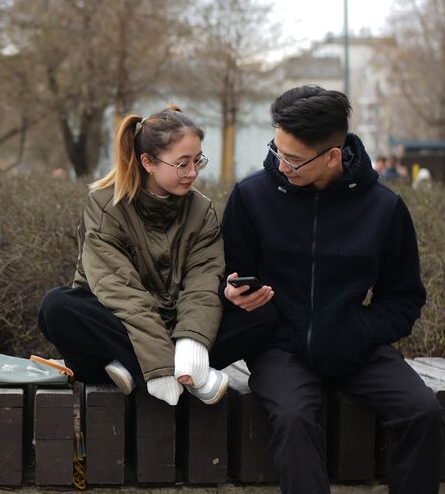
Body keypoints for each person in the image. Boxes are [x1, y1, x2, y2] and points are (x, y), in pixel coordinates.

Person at [220, 85, 445, 494]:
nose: (280, 163)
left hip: (356, 346)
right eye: (276, 150)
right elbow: (225, 284)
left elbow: (404, 300)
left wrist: (357, 331)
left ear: (334, 153)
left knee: (423, 414)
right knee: (295, 420)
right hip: (279, 348)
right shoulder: (251, 197)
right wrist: (233, 296)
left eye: (294, 158)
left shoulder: (384, 209)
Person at [38, 106, 277, 407]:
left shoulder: (201, 211)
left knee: (263, 315)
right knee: (57, 306)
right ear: (148, 162)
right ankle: (177, 374)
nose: (192, 172)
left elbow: (203, 282)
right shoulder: (104, 206)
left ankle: (136, 367)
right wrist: (160, 362)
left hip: (178, 327)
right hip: (120, 323)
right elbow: (119, 290)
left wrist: (192, 344)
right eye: (182, 164)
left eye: (197, 161)